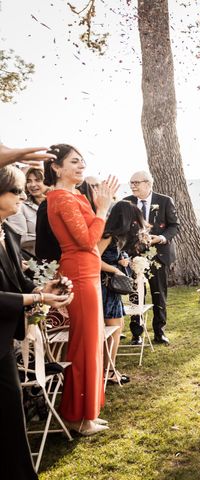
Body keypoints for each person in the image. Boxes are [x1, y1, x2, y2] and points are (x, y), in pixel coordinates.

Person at [0, 165, 73, 480]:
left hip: (2, 344)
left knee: (11, 416)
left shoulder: (9, 233)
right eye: (14, 191)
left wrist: (46, 290)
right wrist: (35, 300)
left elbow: (18, 282)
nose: (21, 196)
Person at [44, 144, 119, 436]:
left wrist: (99, 207)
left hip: (88, 271)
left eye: (83, 162)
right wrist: (103, 209)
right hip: (78, 272)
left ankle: (89, 412)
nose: (81, 166)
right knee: (83, 345)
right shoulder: (60, 197)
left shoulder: (75, 194)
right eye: (74, 162)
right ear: (56, 167)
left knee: (93, 341)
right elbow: (88, 240)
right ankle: (77, 415)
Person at [124, 171, 179, 345]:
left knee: (159, 293)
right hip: (134, 256)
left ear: (148, 183)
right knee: (136, 294)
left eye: (136, 183)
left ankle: (159, 332)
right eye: (131, 183)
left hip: (159, 255)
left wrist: (161, 238)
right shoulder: (126, 203)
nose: (133, 186)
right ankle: (136, 334)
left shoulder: (164, 201)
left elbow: (174, 226)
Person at [97, 200, 146, 385]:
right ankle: (108, 371)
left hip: (111, 288)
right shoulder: (107, 235)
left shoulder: (117, 237)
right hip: (104, 286)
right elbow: (93, 259)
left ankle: (108, 368)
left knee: (117, 327)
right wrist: (114, 269)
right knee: (114, 329)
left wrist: (122, 260)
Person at [6, 167, 48, 258]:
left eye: (37, 180)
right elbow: (18, 238)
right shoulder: (19, 206)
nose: (32, 185)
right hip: (35, 260)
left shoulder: (55, 203)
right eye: (29, 181)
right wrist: (50, 238)